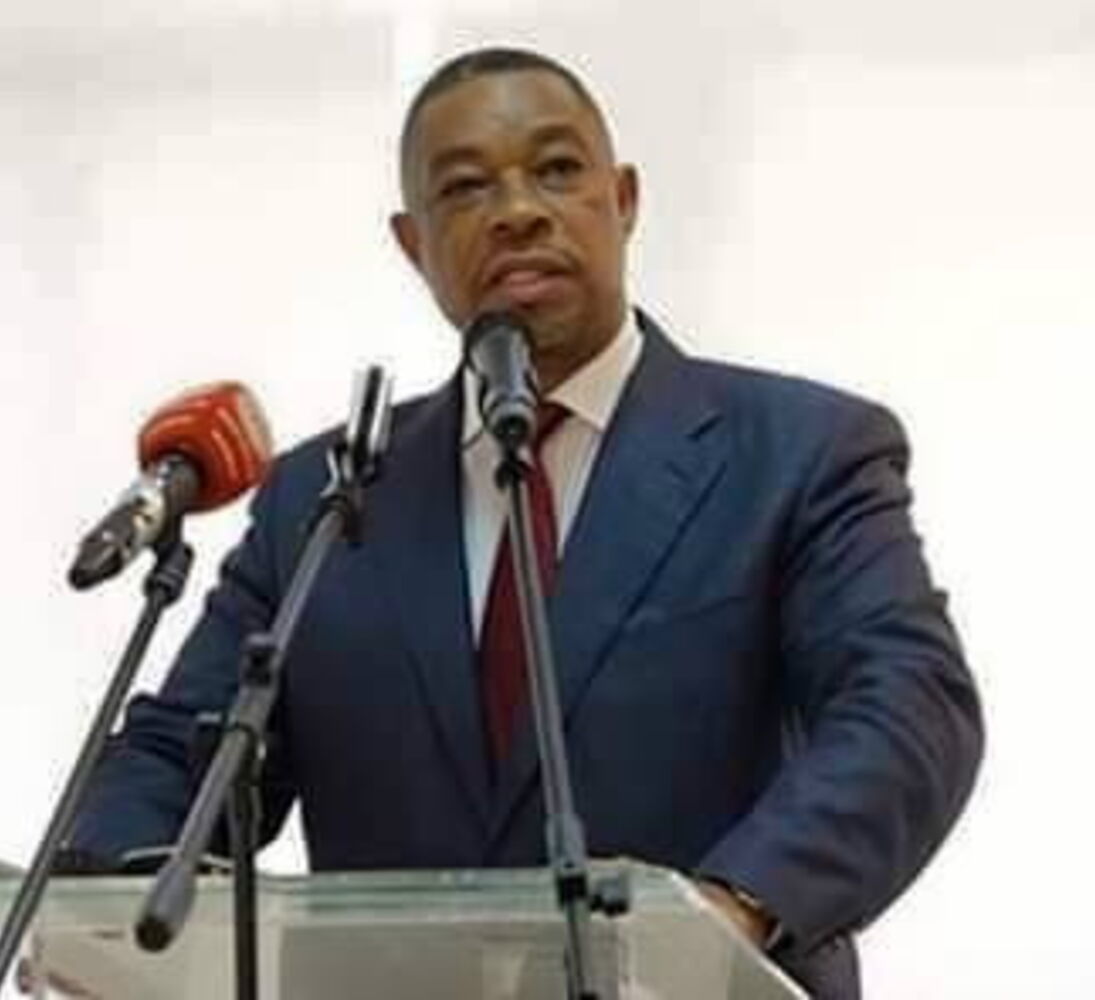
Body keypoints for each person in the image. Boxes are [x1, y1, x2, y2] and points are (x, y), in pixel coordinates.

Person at [68, 47, 983, 999]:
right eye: (465, 187)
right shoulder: (325, 497)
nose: (516, 211)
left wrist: (730, 911)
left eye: (556, 169)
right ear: (414, 244)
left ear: (623, 201)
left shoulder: (798, 454)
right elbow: (182, 754)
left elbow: (908, 709)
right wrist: (101, 905)